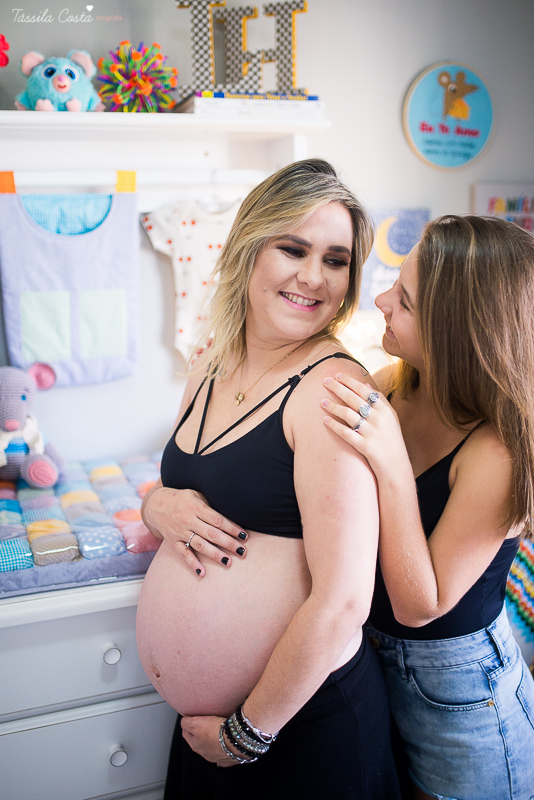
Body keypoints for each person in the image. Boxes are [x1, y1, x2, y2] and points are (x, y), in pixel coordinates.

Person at [137, 159, 402, 799]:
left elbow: (343, 601)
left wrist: (248, 733)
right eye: (294, 249)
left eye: (336, 260)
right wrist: (158, 507)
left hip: (296, 731)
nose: (313, 277)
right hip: (213, 734)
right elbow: (180, 485)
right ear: (250, 248)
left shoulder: (332, 390)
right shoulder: (210, 361)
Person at [321, 214, 534, 800]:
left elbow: (423, 604)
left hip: (464, 690)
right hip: (371, 662)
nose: (382, 300)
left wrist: (390, 462)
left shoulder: (499, 449)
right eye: (396, 281)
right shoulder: (395, 384)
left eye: (406, 300)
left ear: (458, 333)